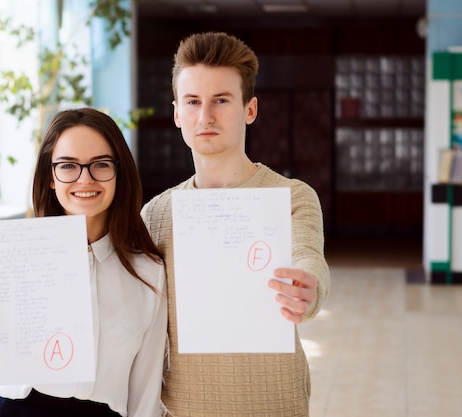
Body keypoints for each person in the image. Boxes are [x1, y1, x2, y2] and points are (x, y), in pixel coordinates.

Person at [141, 32, 331, 416]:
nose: (205, 116)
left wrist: (309, 291)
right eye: (193, 102)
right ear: (177, 113)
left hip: (276, 404)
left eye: (221, 101)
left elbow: (308, 255)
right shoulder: (155, 215)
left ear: (250, 109)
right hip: (183, 407)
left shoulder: (291, 196)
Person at [0, 107, 168, 417]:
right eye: (68, 166)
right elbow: (8, 361)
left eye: (101, 165)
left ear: (119, 173)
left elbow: (146, 393)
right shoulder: (15, 256)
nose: (85, 179)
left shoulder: (148, 272)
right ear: (50, 177)